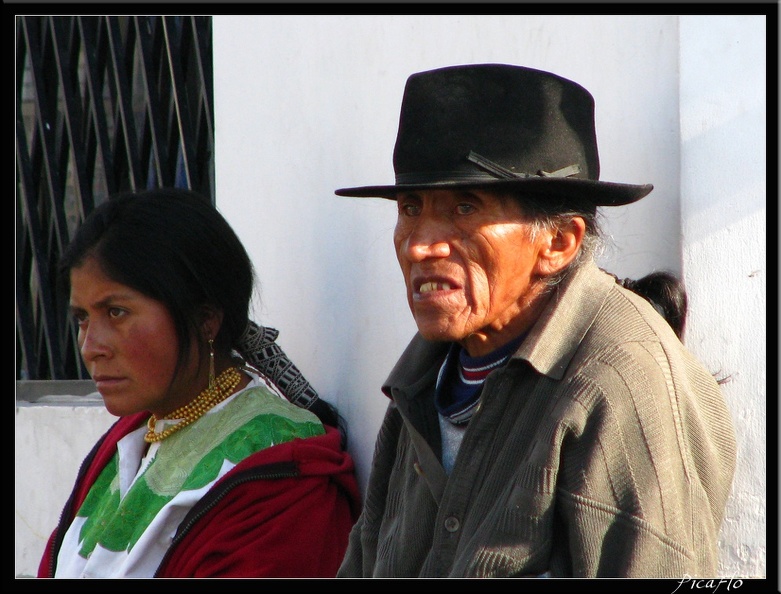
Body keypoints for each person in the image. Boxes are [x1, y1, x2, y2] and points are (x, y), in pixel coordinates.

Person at [333, 64, 737, 578]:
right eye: (410, 208)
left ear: (557, 243)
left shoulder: (621, 380)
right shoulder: (422, 384)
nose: (419, 243)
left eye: (463, 207)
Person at [37, 187, 361, 578]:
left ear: (205, 318)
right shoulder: (131, 439)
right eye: (82, 319)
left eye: (117, 312)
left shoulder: (281, 475)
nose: (91, 347)